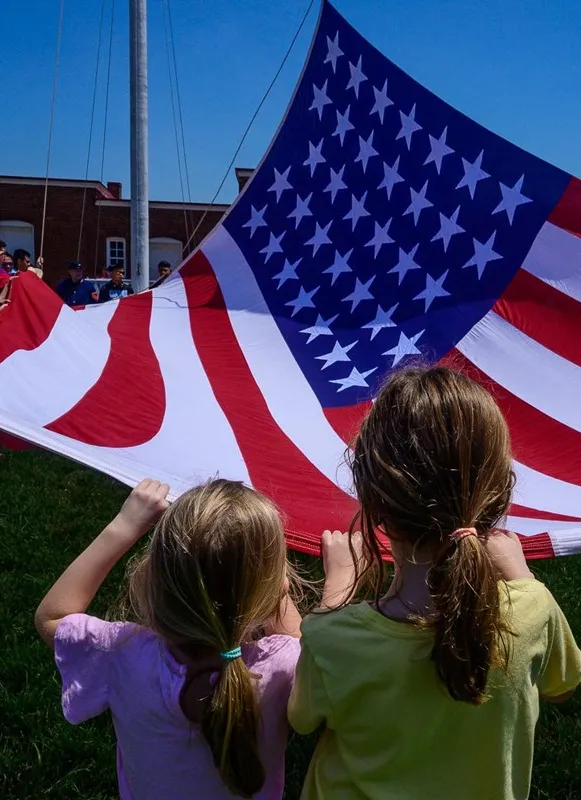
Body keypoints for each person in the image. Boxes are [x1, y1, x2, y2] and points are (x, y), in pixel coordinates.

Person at [288, 366, 581, 800]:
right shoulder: (532, 607)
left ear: (375, 503)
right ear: (497, 492)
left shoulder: (334, 637)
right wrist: (523, 576)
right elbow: (562, 686)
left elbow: (301, 717)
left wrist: (339, 589)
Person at [34, 478, 358, 800]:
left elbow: (51, 618)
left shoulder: (122, 653)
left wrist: (125, 525)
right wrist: (341, 579)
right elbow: (315, 651)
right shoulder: (282, 667)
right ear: (276, 588)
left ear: (150, 580)